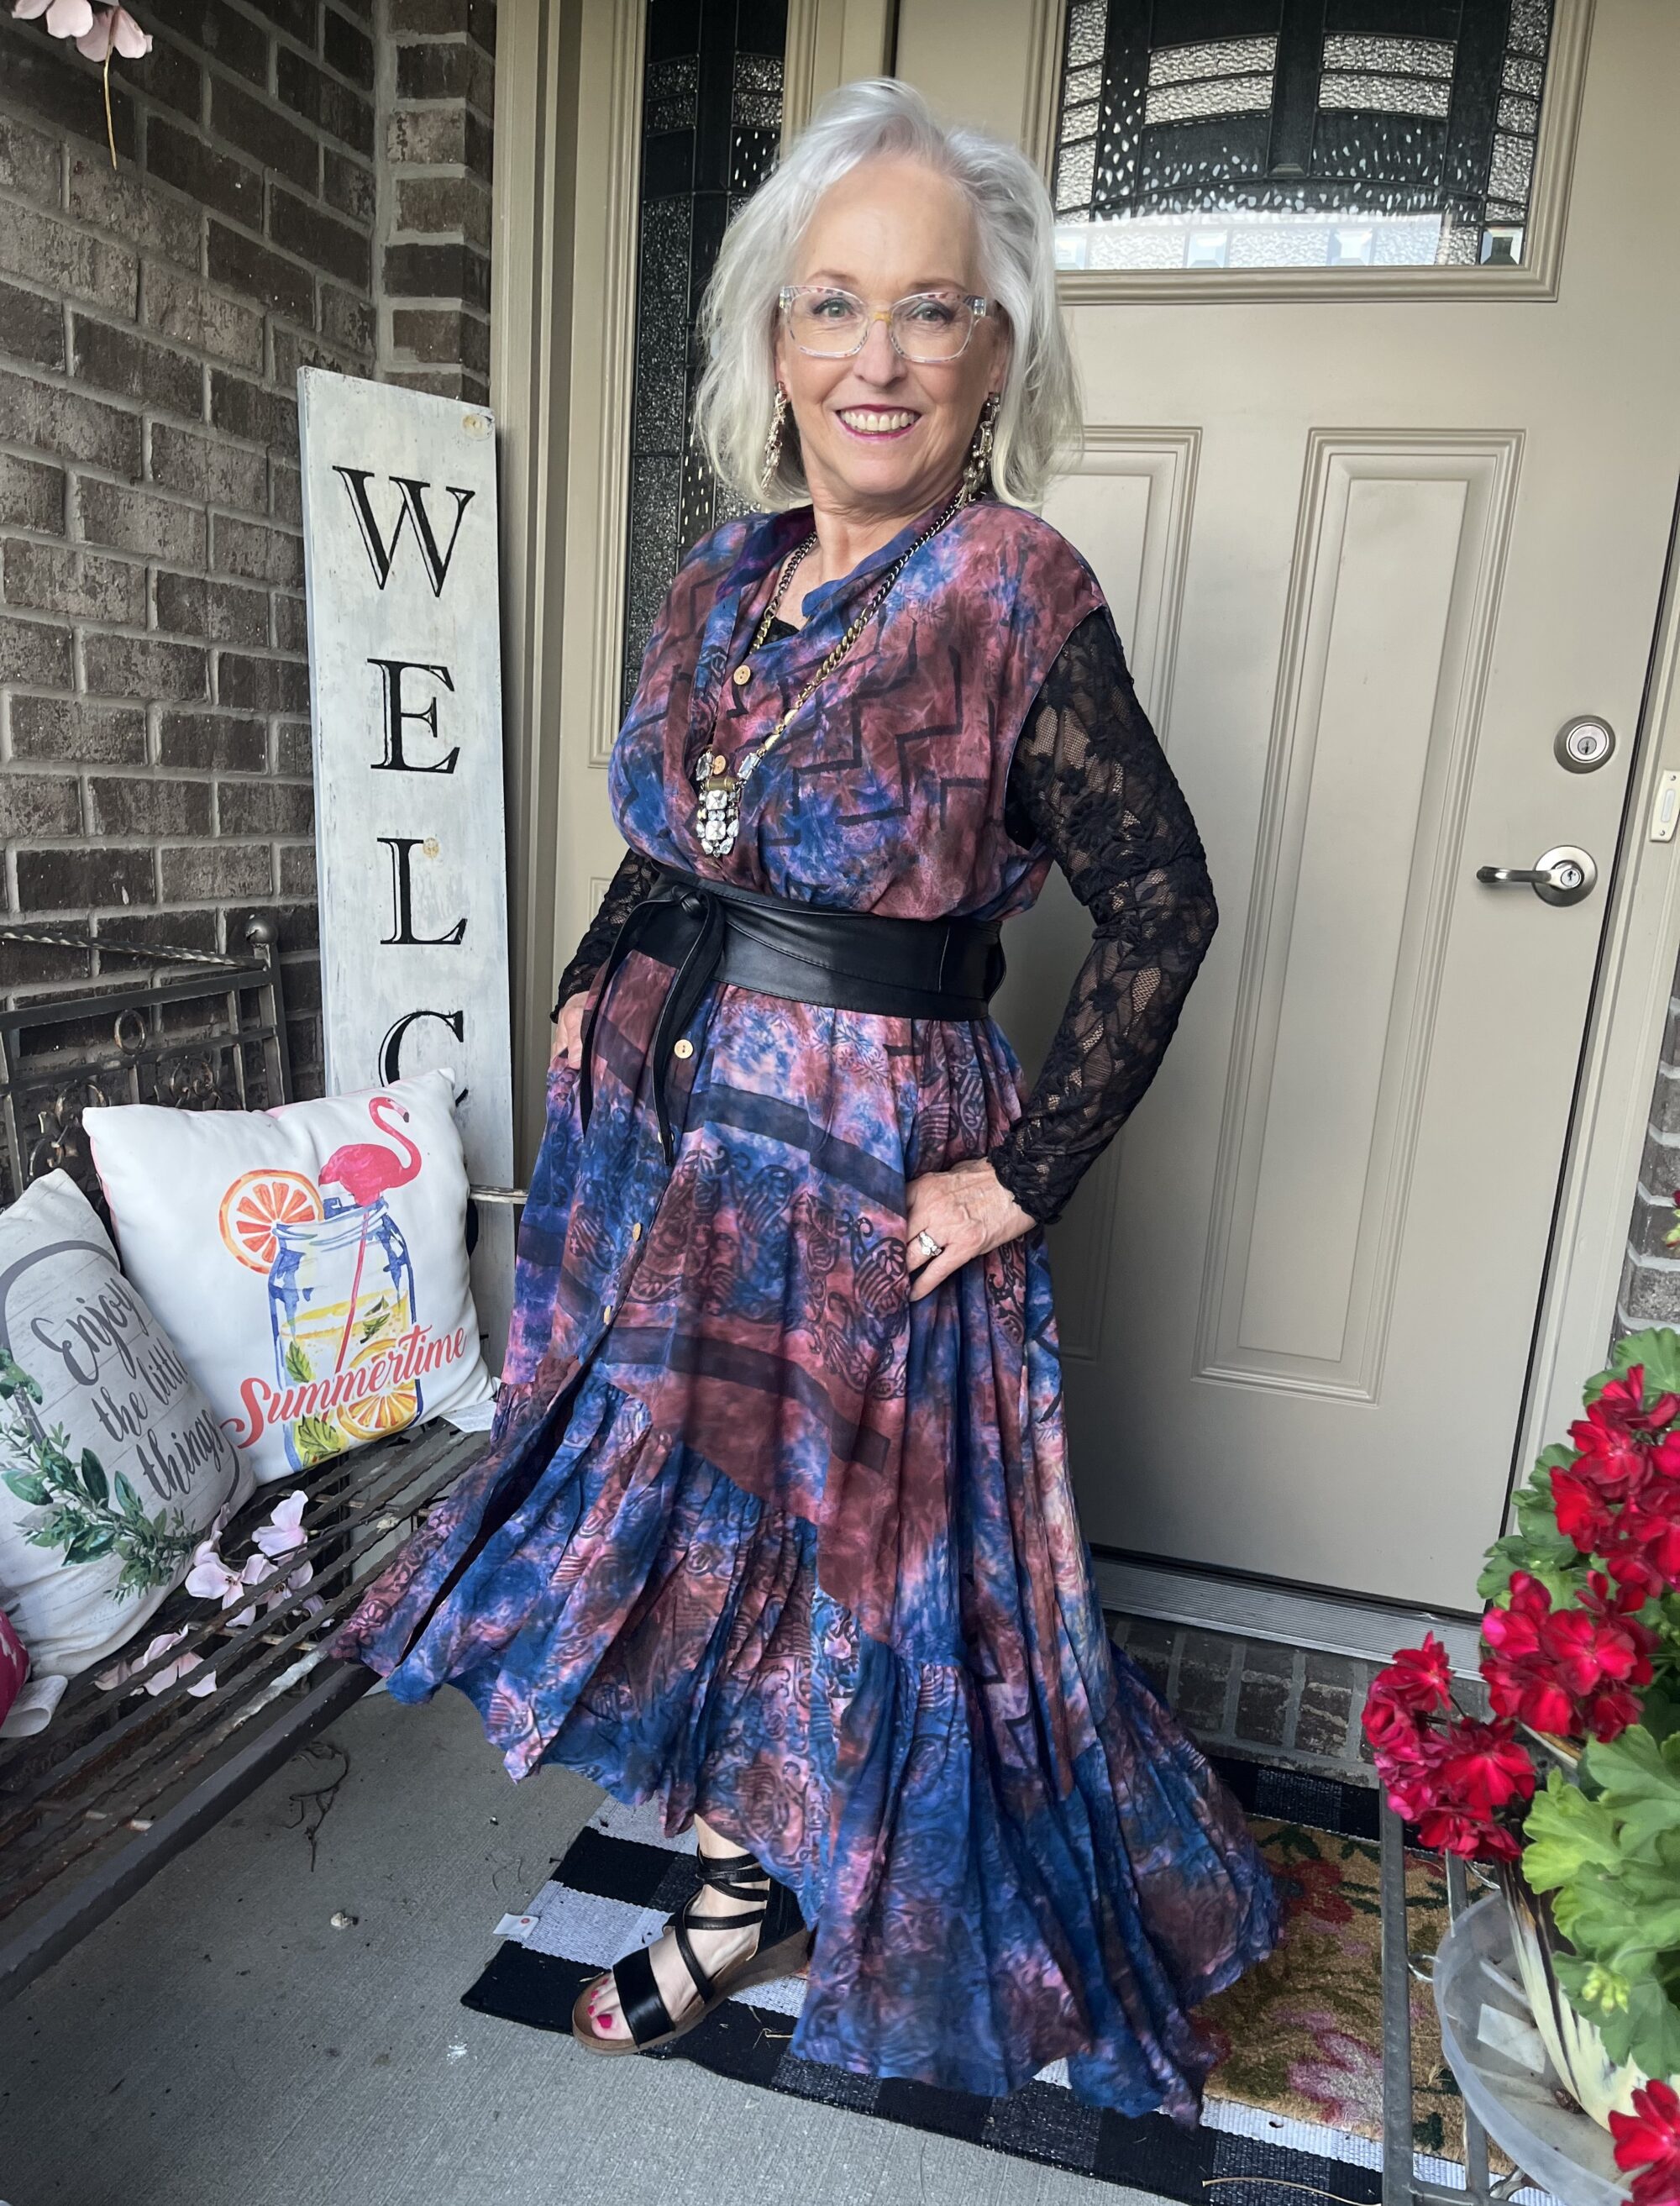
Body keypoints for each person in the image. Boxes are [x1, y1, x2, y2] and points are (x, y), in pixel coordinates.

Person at [335, 76, 1278, 2120]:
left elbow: (1164, 902)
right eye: (834, 304)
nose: (878, 357)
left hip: (860, 1163)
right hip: (663, 1151)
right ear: (773, 340)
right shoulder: (713, 578)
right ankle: (739, 1851)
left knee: (858, 1555)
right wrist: (590, 1026)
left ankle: (754, 1885)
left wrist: (1020, 1176)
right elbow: (679, 842)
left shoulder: (1011, 589)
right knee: (700, 1524)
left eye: (931, 310)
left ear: (996, 354)